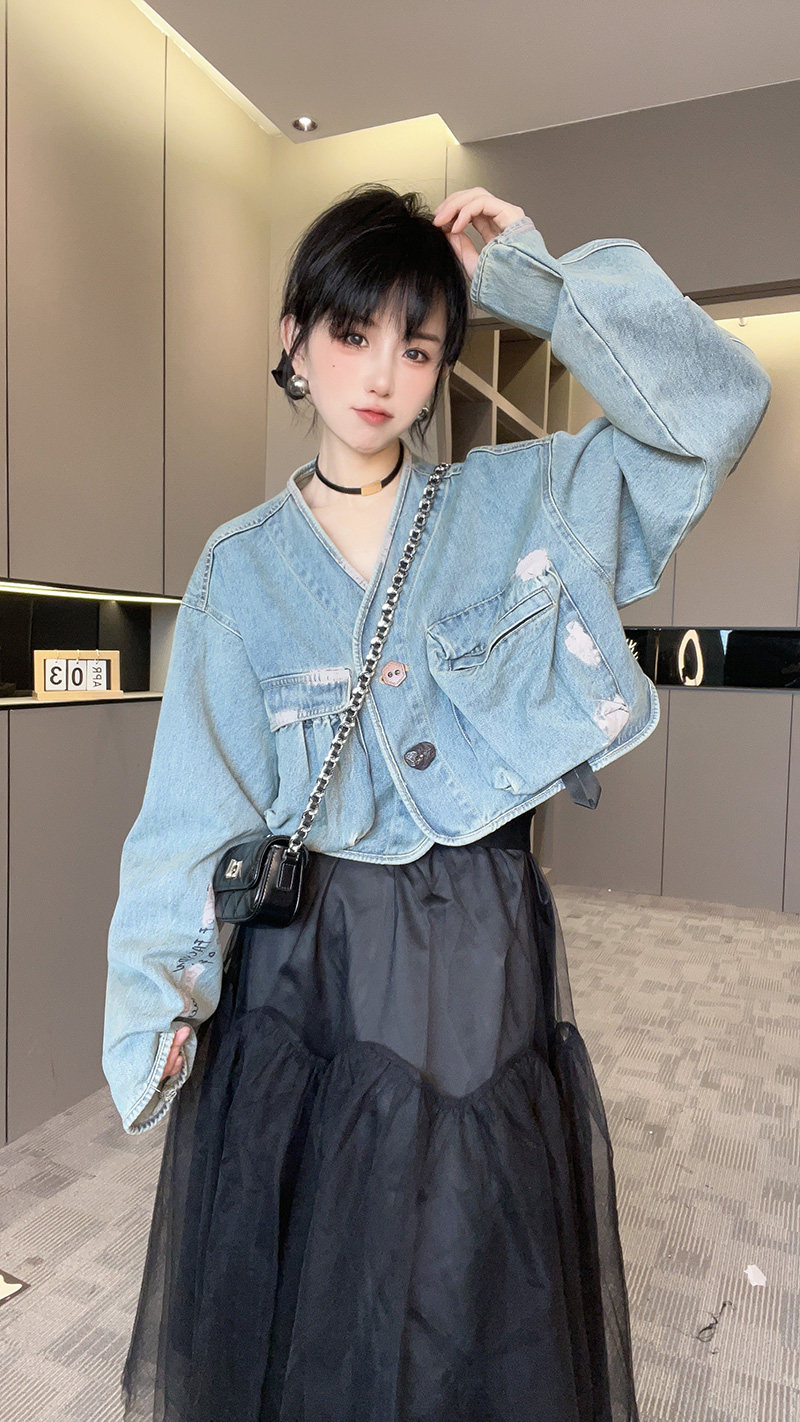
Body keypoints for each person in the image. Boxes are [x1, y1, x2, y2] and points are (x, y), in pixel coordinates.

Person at [102, 183, 771, 1421]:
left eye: (416, 348)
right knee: (318, 1282)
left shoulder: (515, 506)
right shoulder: (241, 570)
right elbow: (194, 802)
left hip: (473, 939)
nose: (380, 376)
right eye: (352, 334)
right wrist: (155, 999)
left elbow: (713, 413)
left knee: (462, 1262)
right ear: (295, 338)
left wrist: (531, 280)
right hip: (308, 959)